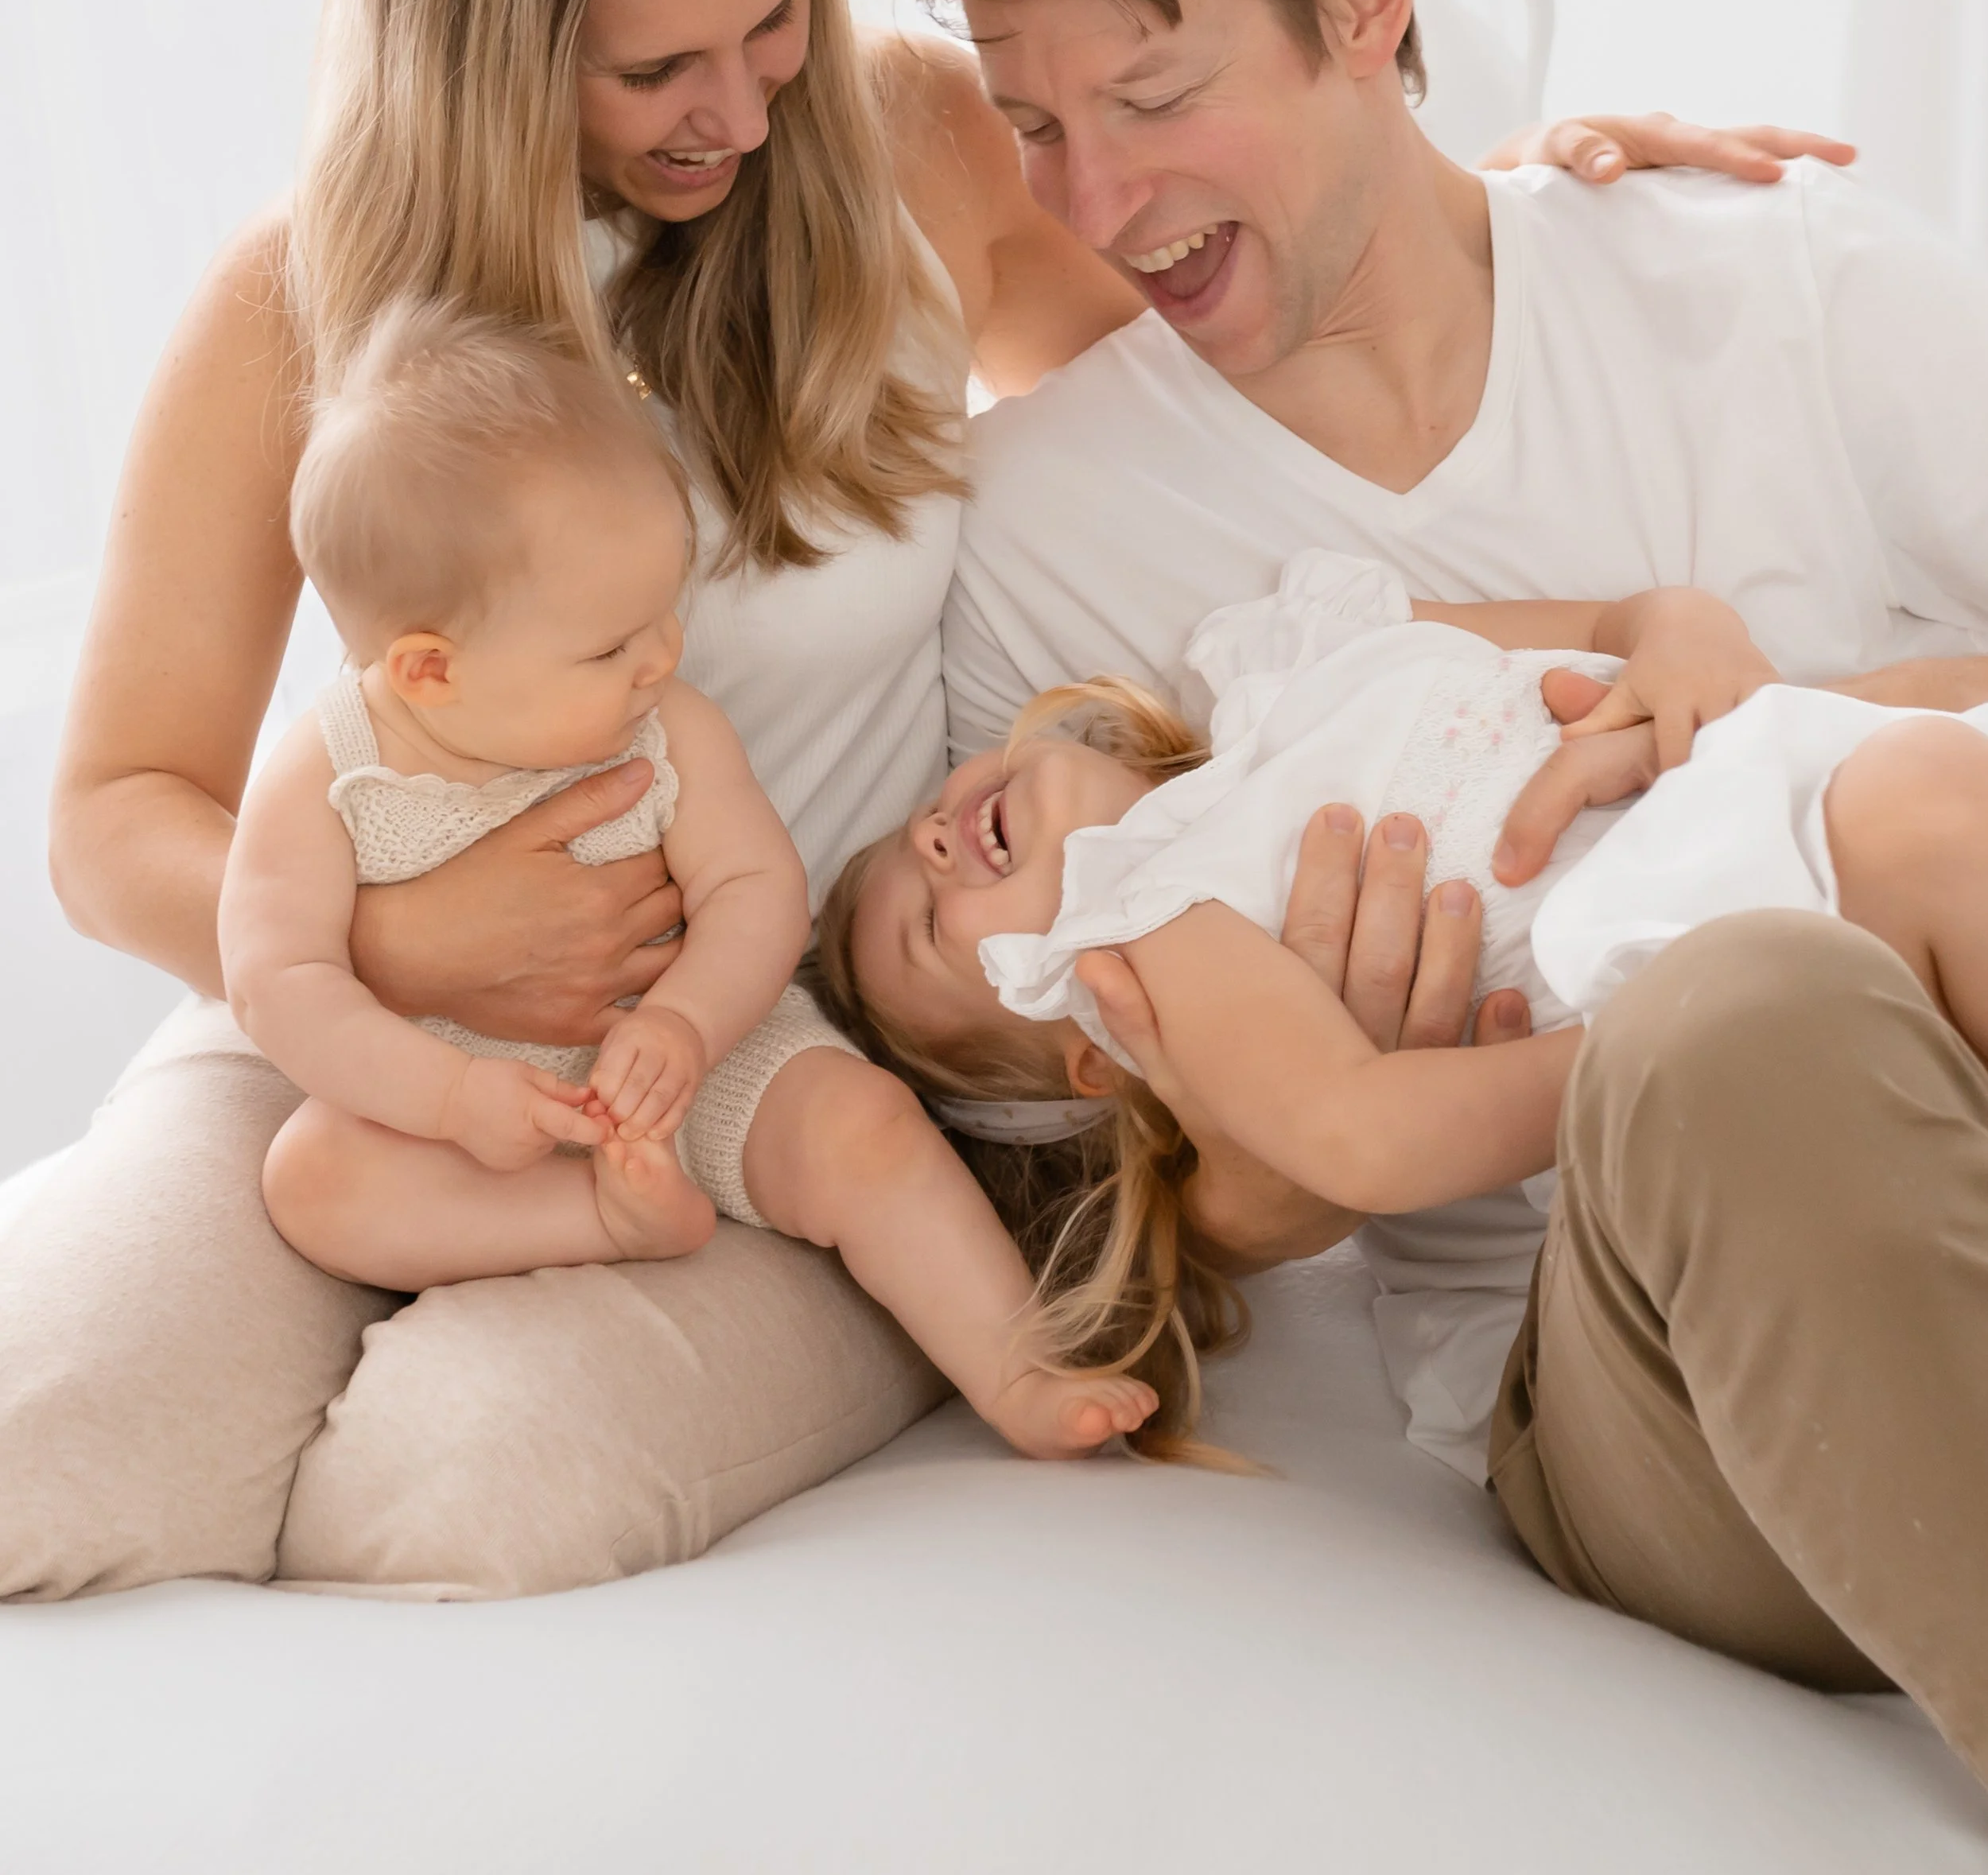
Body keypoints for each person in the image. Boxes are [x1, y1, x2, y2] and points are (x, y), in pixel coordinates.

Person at [6, 0, 1795, 1603]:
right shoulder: (302, 296)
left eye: (767, 21)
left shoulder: (904, 150)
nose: (735, 109)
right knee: (44, 1430)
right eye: (650, 69)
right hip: (333, 1020)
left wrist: (1527, 199)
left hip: (802, 1076)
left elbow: (1230, 342)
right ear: (481, 49)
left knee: (464, 1489)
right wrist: (393, 950)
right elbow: (117, 809)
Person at [879, 0, 1988, 1777]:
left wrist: (1772, 722)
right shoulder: (1051, 555)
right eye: (1031, 126)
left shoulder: (1773, 282)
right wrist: (1267, 1176)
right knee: (1746, 1009)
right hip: (1642, 1363)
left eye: (1152, 93)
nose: (1092, 202)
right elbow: (1068, 1182)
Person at [818, 557, 1988, 1489]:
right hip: (1740, 978)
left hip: (1774, 785)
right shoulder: (1149, 924)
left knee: (1937, 715)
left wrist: (1682, 625)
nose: (930, 846)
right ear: (1087, 1048)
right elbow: (1363, 1137)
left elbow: (1620, 617)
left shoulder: (1288, 662)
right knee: (1921, 807)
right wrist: (1658, 1038)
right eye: (928, 925)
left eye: (915, 827)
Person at [223, 299, 1150, 1458]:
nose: (660, 657)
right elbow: (280, 982)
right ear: (430, 669)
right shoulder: (325, 773)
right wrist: (447, 1097)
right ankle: (601, 1215)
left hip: (694, 1058)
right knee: (314, 1179)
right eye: (613, 644)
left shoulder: (665, 726)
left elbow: (757, 890)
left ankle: (1019, 1369)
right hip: (455, 1082)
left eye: (665, 613)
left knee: (864, 1127)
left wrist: (688, 1019)